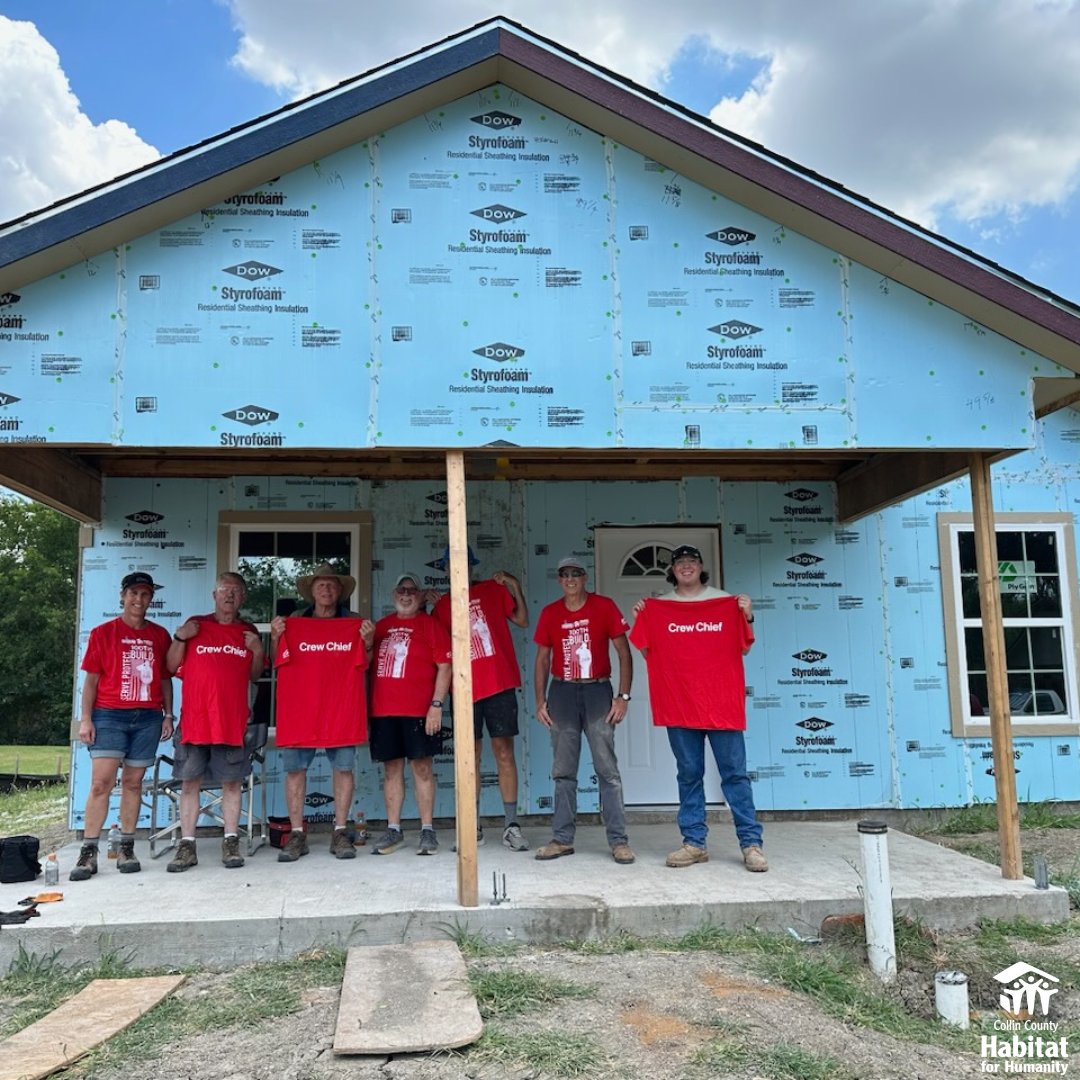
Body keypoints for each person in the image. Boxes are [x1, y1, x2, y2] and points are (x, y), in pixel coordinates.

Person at [629, 544, 767, 872]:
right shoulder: (659, 606)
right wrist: (645, 619)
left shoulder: (725, 601)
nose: (686, 567)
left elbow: (744, 649)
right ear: (673, 569)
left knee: (735, 775)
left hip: (721, 704)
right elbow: (650, 655)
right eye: (680, 563)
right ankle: (694, 843)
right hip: (681, 705)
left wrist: (746, 615)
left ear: (700, 566)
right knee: (689, 774)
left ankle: (751, 844)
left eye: (691, 562)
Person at [70, 571, 174, 881]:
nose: (139, 600)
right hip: (109, 715)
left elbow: (166, 679)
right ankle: (88, 852)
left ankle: (127, 847)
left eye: (145, 594)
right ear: (122, 595)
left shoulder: (160, 635)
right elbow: (91, 681)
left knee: (132, 782)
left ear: (151, 599)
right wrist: (86, 719)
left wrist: (168, 714)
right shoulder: (103, 633)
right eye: (133, 594)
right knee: (101, 783)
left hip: (147, 718)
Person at [533, 556, 635, 865]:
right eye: (564, 574)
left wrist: (623, 696)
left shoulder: (603, 606)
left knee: (607, 769)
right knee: (563, 771)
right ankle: (562, 839)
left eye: (576, 573)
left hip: (597, 690)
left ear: (585, 577)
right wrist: (540, 700)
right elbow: (542, 660)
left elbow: (623, 652)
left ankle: (618, 841)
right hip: (562, 692)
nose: (570, 578)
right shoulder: (550, 613)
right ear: (559, 580)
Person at [270, 563, 375, 862]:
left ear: (340, 591)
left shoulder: (355, 622)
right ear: (312, 590)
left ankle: (340, 831)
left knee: (343, 768)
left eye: (332, 584)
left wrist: (367, 641)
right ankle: (297, 833)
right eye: (321, 584)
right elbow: (277, 660)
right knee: (295, 771)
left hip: (340, 706)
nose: (326, 589)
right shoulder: (293, 622)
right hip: (300, 708)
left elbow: (365, 662)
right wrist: (277, 637)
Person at [163, 572, 265, 873]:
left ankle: (231, 841)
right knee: (189, 782)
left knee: (231, 783)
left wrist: (258, 650)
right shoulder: (196, 625)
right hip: (195, 721)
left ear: (243, 597)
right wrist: (181, 636)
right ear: (214, 595)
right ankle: (187, 845)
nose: (229, 595)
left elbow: (254, 675)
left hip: (231, 722)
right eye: (224, 590)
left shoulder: (247, 631)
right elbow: (170, 666)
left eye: (236, 591)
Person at [433, 545, 530, 851]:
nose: (458, 569)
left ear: (472, 566)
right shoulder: (442, 606)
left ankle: (511, 826)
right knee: (469, 759)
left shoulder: (490, 590)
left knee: (504, 753)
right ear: (446, 570)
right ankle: (471, 827)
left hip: (499, 684)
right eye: (452, 565)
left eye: (463, 563)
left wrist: (514, 584)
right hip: (463, 690)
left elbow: (523, 620)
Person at [368, 572, 453, 856]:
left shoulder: (431, 625)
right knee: (391, 770)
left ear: (420, 596)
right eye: (401, 590)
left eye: (412, 591)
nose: (406, 595)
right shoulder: (381, 627)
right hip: (384, 710)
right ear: (394, 594)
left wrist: (437, 705)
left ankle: (427, 830)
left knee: (422, 769)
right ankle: (394, 829)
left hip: (421, 711)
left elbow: (445, 666)